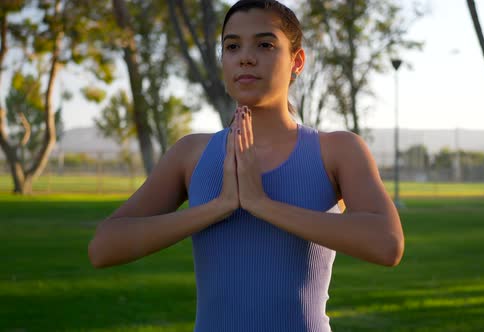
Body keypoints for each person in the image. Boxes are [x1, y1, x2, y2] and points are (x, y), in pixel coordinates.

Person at [88, 0, 404, 331]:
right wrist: (217, 207)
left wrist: (261, 204)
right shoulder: (190, 153)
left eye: (265, 44)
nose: (246, 57)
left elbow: (387, 244)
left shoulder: (336, 150)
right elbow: (104, 247)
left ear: (297, 61)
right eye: (232, 46)